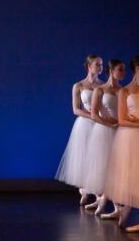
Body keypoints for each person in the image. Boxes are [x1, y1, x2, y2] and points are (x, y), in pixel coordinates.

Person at [55, 54, 104, 205]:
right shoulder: (79, 86)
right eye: (97, 64)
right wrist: (92, 116)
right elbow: (76, 109)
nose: (100, 67)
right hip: (85, 123)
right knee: (84, 158)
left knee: (97, 158)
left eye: (101, 65)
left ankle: (97, 194)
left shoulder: (102, 85)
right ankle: (84, 189)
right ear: (89, 66)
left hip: (99, 124)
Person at [83, 59, 125, 215]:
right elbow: (94, 114)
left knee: (117, 169)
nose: (123, 73)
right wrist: (110, 125)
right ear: (111, 71)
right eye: (120, 69)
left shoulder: (123, 90)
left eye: (124, 70)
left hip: (120, 131)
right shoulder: (100, 90)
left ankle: (115, 206)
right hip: (104, 131)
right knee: (106, 168)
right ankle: (107, 202)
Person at [103, 55, 139, 230]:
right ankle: (125, 210)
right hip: (131, 137)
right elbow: (123, 120)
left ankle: (127, 212)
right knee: (132, 175)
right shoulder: (125, 91)